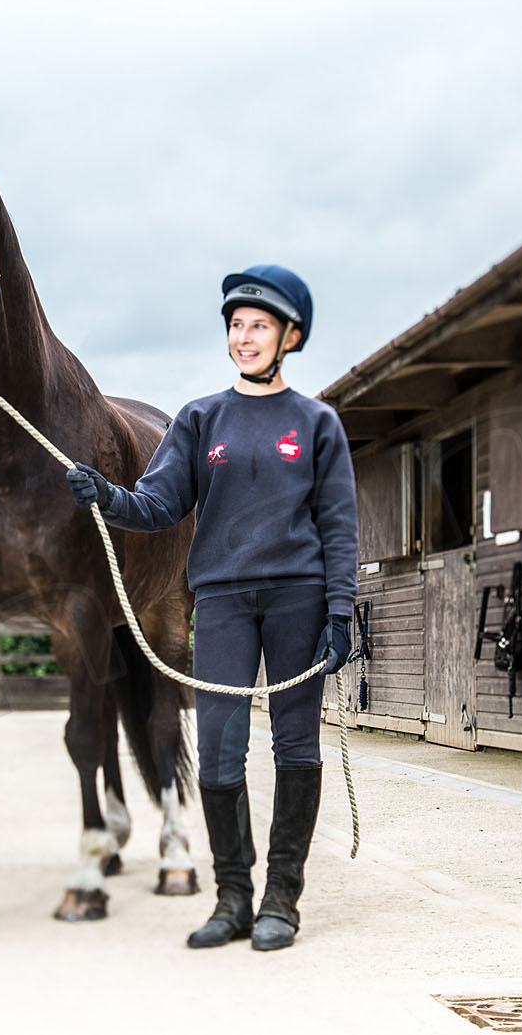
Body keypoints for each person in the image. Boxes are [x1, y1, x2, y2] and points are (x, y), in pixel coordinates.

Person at [66, 264, 356, 952]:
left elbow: (340, 523)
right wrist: (105, 495)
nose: (244, 336)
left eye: (259, 325)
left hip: (299, 598)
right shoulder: (201, 418)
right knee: (221, 749)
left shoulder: (317, 423)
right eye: (235, 325)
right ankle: (232, 896)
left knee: (294, 745)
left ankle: (282, 897)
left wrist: (340, 611)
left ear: (291, 335)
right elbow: (159, 505)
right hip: (221, 601)